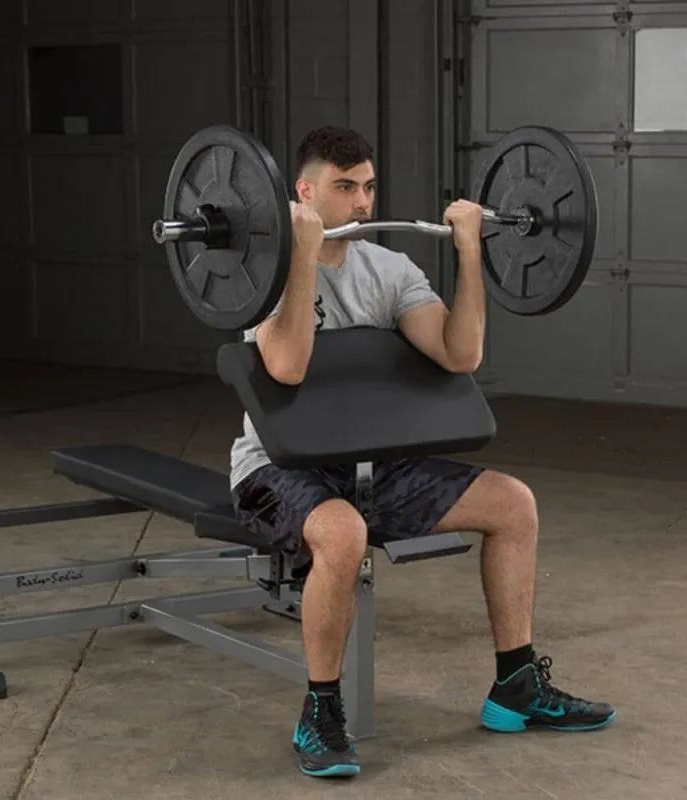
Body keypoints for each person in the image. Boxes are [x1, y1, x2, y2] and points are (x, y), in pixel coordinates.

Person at [230, 126, 614, 779]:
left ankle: (515, 688)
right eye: (343, 187)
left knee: (513, 504)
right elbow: (288, 368)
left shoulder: (391, 270)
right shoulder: (261, 276)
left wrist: (470, 253)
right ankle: (320, 711)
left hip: (378, 465)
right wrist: (299, 255)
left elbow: (459, 354)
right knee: (344, 532)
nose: (359, 201)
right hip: (279, 469)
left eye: (368, 187)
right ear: (303, 193)